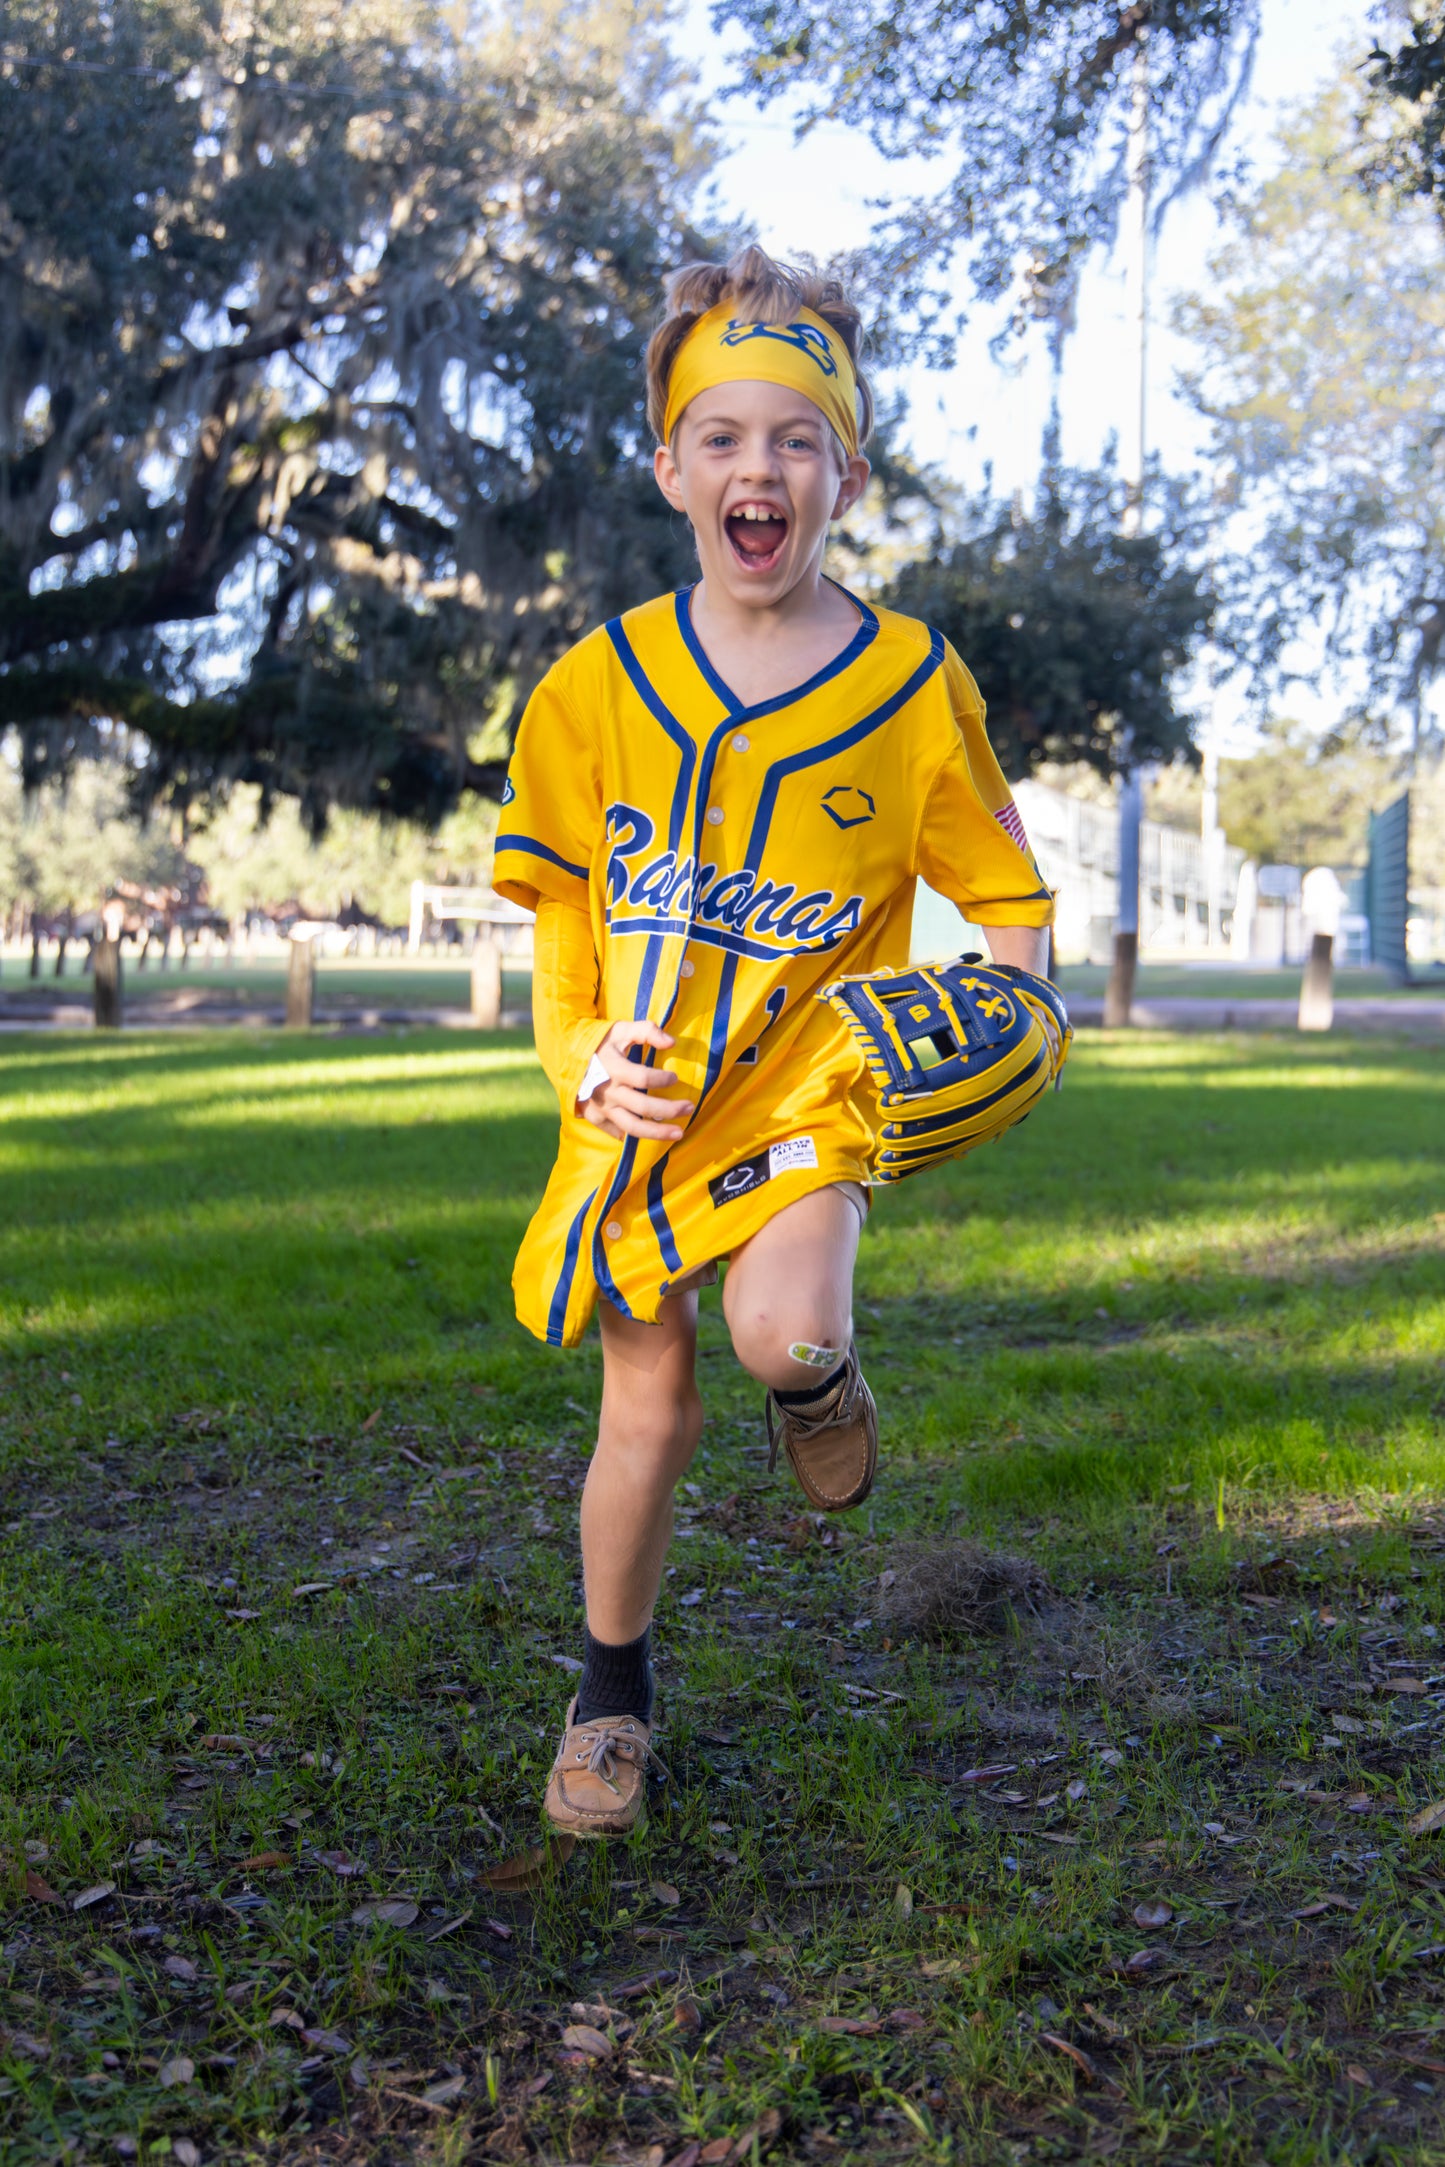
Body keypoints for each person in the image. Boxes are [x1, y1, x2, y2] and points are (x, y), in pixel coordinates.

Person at [491, 244, 1055, 1837]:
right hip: (645, 1098)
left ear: (846, 473)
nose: (761, 468)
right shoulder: (590, 687)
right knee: (647, 1407)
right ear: (670, 468)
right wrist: (581, 1055)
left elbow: (1001, 886)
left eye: (795, 439)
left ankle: (821, 1382)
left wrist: (1012, 1000)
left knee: (778, 1337)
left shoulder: (905, 681)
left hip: (813, 1080)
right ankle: (612, 1699)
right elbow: (556, 923)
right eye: (724, 437)